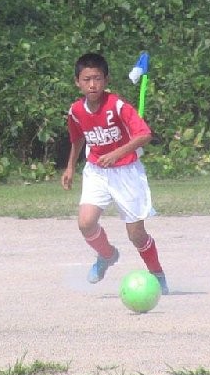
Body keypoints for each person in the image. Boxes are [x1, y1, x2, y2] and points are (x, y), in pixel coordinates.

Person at [61, 52, 168, 294]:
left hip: (126, 172)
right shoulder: (76, 111)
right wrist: (70, 167)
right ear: (77, 82)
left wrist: (117, 153)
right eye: (87, 79)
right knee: (86, 223)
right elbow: (77, 138)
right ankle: (107, 255)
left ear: (106, 80)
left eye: (97, 78)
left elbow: (144, 134)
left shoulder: (117, 106)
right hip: (97, 171)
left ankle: (157, 274)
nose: (92, 84)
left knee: (136, 235)